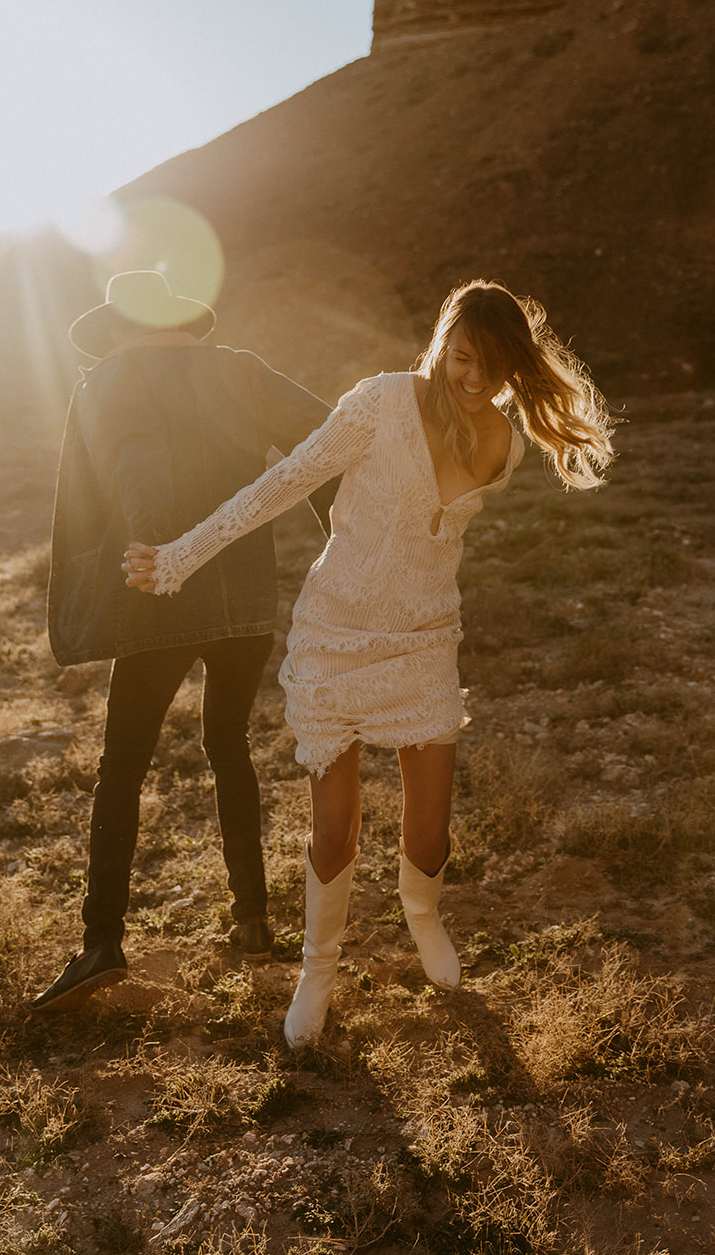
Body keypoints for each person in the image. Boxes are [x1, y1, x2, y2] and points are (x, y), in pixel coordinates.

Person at [124, 280, 614, 1047]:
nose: (474, 378)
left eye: (493, 366)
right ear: (440, 345)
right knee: (334, 827)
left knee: (427, 829)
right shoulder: (381, 403)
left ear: (514, 366)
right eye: (461, 359)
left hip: (423, 639)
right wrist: (181, 555)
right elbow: (282, 484)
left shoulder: (505, 444)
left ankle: (422, 916)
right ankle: (318, 970)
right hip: (334, 633)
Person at [32, 269, 337, 1013]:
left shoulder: (110, 377)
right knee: (227, 745)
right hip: (246, 597)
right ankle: (253, 919)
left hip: (157, 589)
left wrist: (156, 542)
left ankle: (101, 942)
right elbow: (330, 439)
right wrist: (345, 541)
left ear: (118, 327)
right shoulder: (240, 369)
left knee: (123, 765)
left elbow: (137, 458)